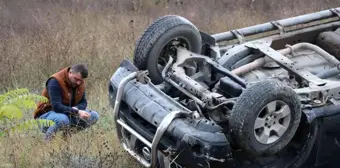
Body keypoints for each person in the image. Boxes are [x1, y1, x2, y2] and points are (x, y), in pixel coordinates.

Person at [33, 63, 99, 141]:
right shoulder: (55, 81)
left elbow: (83, 102)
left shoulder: (80, 82)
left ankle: (65, 138)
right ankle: (47, 142)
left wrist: (76, 108)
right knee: (62, 119)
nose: (78, 83)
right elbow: (56, 106)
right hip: (45, 116)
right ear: (70, 72)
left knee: (94, 116)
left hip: (68, 114)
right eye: (76, 79)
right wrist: (77, 112)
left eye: (81, 80)